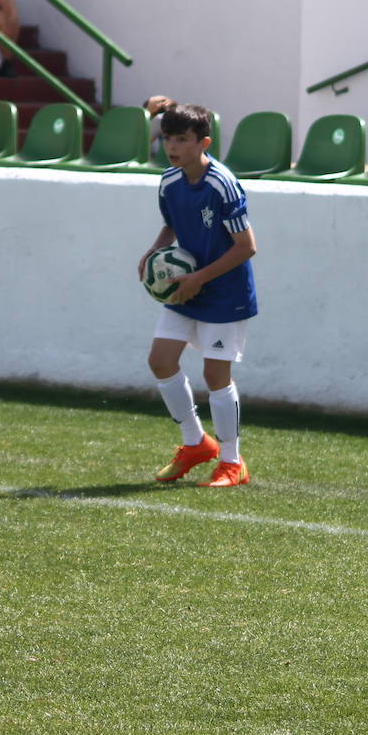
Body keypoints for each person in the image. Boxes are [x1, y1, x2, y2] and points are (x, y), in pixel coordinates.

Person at [137, 103, 258, 488]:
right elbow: (171, 224)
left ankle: (232, 462)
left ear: (203, 142)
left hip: (223, 291)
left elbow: (246, 247)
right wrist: (153, 252)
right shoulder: (169, 181)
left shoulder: (223, 183)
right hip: (185, 288)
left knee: (215, 375)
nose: (172, 147)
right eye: (168, 138)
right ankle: (195, 444)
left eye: (182, 140)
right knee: (160, 360)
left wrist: (200, 279)